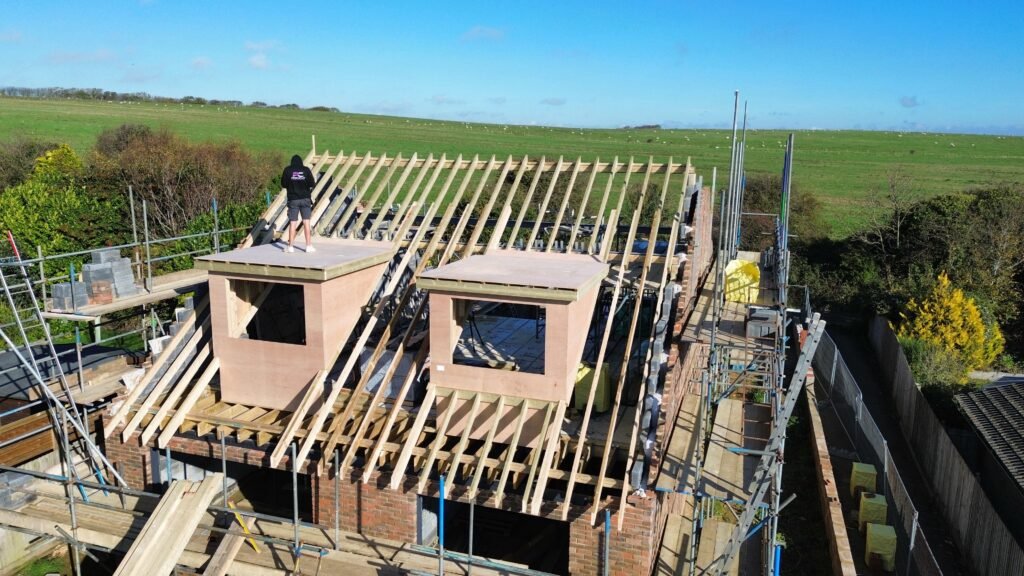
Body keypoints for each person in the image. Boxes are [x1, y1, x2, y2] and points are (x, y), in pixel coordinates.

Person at [281, 154, 316, 253]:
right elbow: (312, 184)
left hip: (293, 200)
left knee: (293, 223)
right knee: (306, 222)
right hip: (305, 199)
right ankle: (308, 246)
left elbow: (283, 184)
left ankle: (290, 247)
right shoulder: (306, 170)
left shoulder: (287, 170)